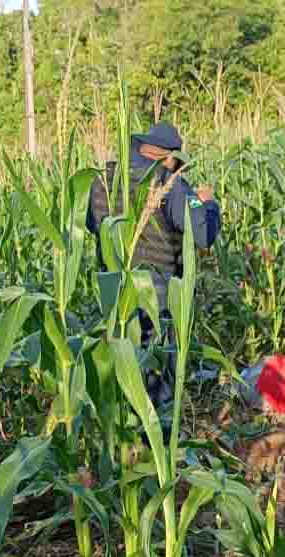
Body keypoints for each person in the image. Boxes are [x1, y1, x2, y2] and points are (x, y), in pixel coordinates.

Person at [88, 123, 222, 407]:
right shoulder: (167, 183)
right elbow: (203, 234)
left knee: (121, 358)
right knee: (156, 368)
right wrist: (207, 204)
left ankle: (123, 428)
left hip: (113, 289)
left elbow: (92, 225)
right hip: (155, 294)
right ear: (170, 156)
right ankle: (155, 438)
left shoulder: (102, 179)